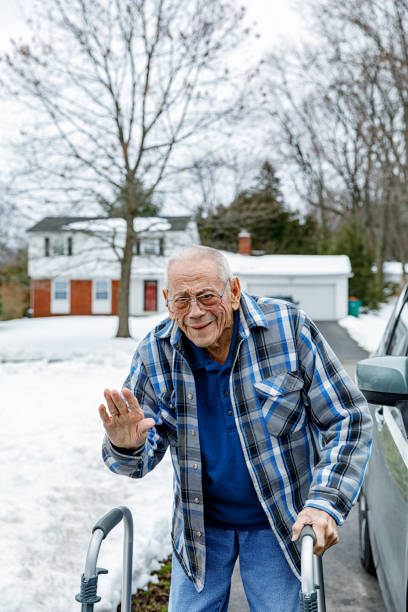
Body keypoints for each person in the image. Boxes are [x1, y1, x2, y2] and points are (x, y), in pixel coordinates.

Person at [99, 245, 372, 611]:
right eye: (181, 300)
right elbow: (136, 460)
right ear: (167, 301)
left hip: (279, 522)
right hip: (200, 527)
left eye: (207, 296)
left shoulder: (288, 329)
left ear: (234, 291)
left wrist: (324, 504)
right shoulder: (155, 352)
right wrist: (126, 446)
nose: (195, 312)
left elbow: (349, 419)